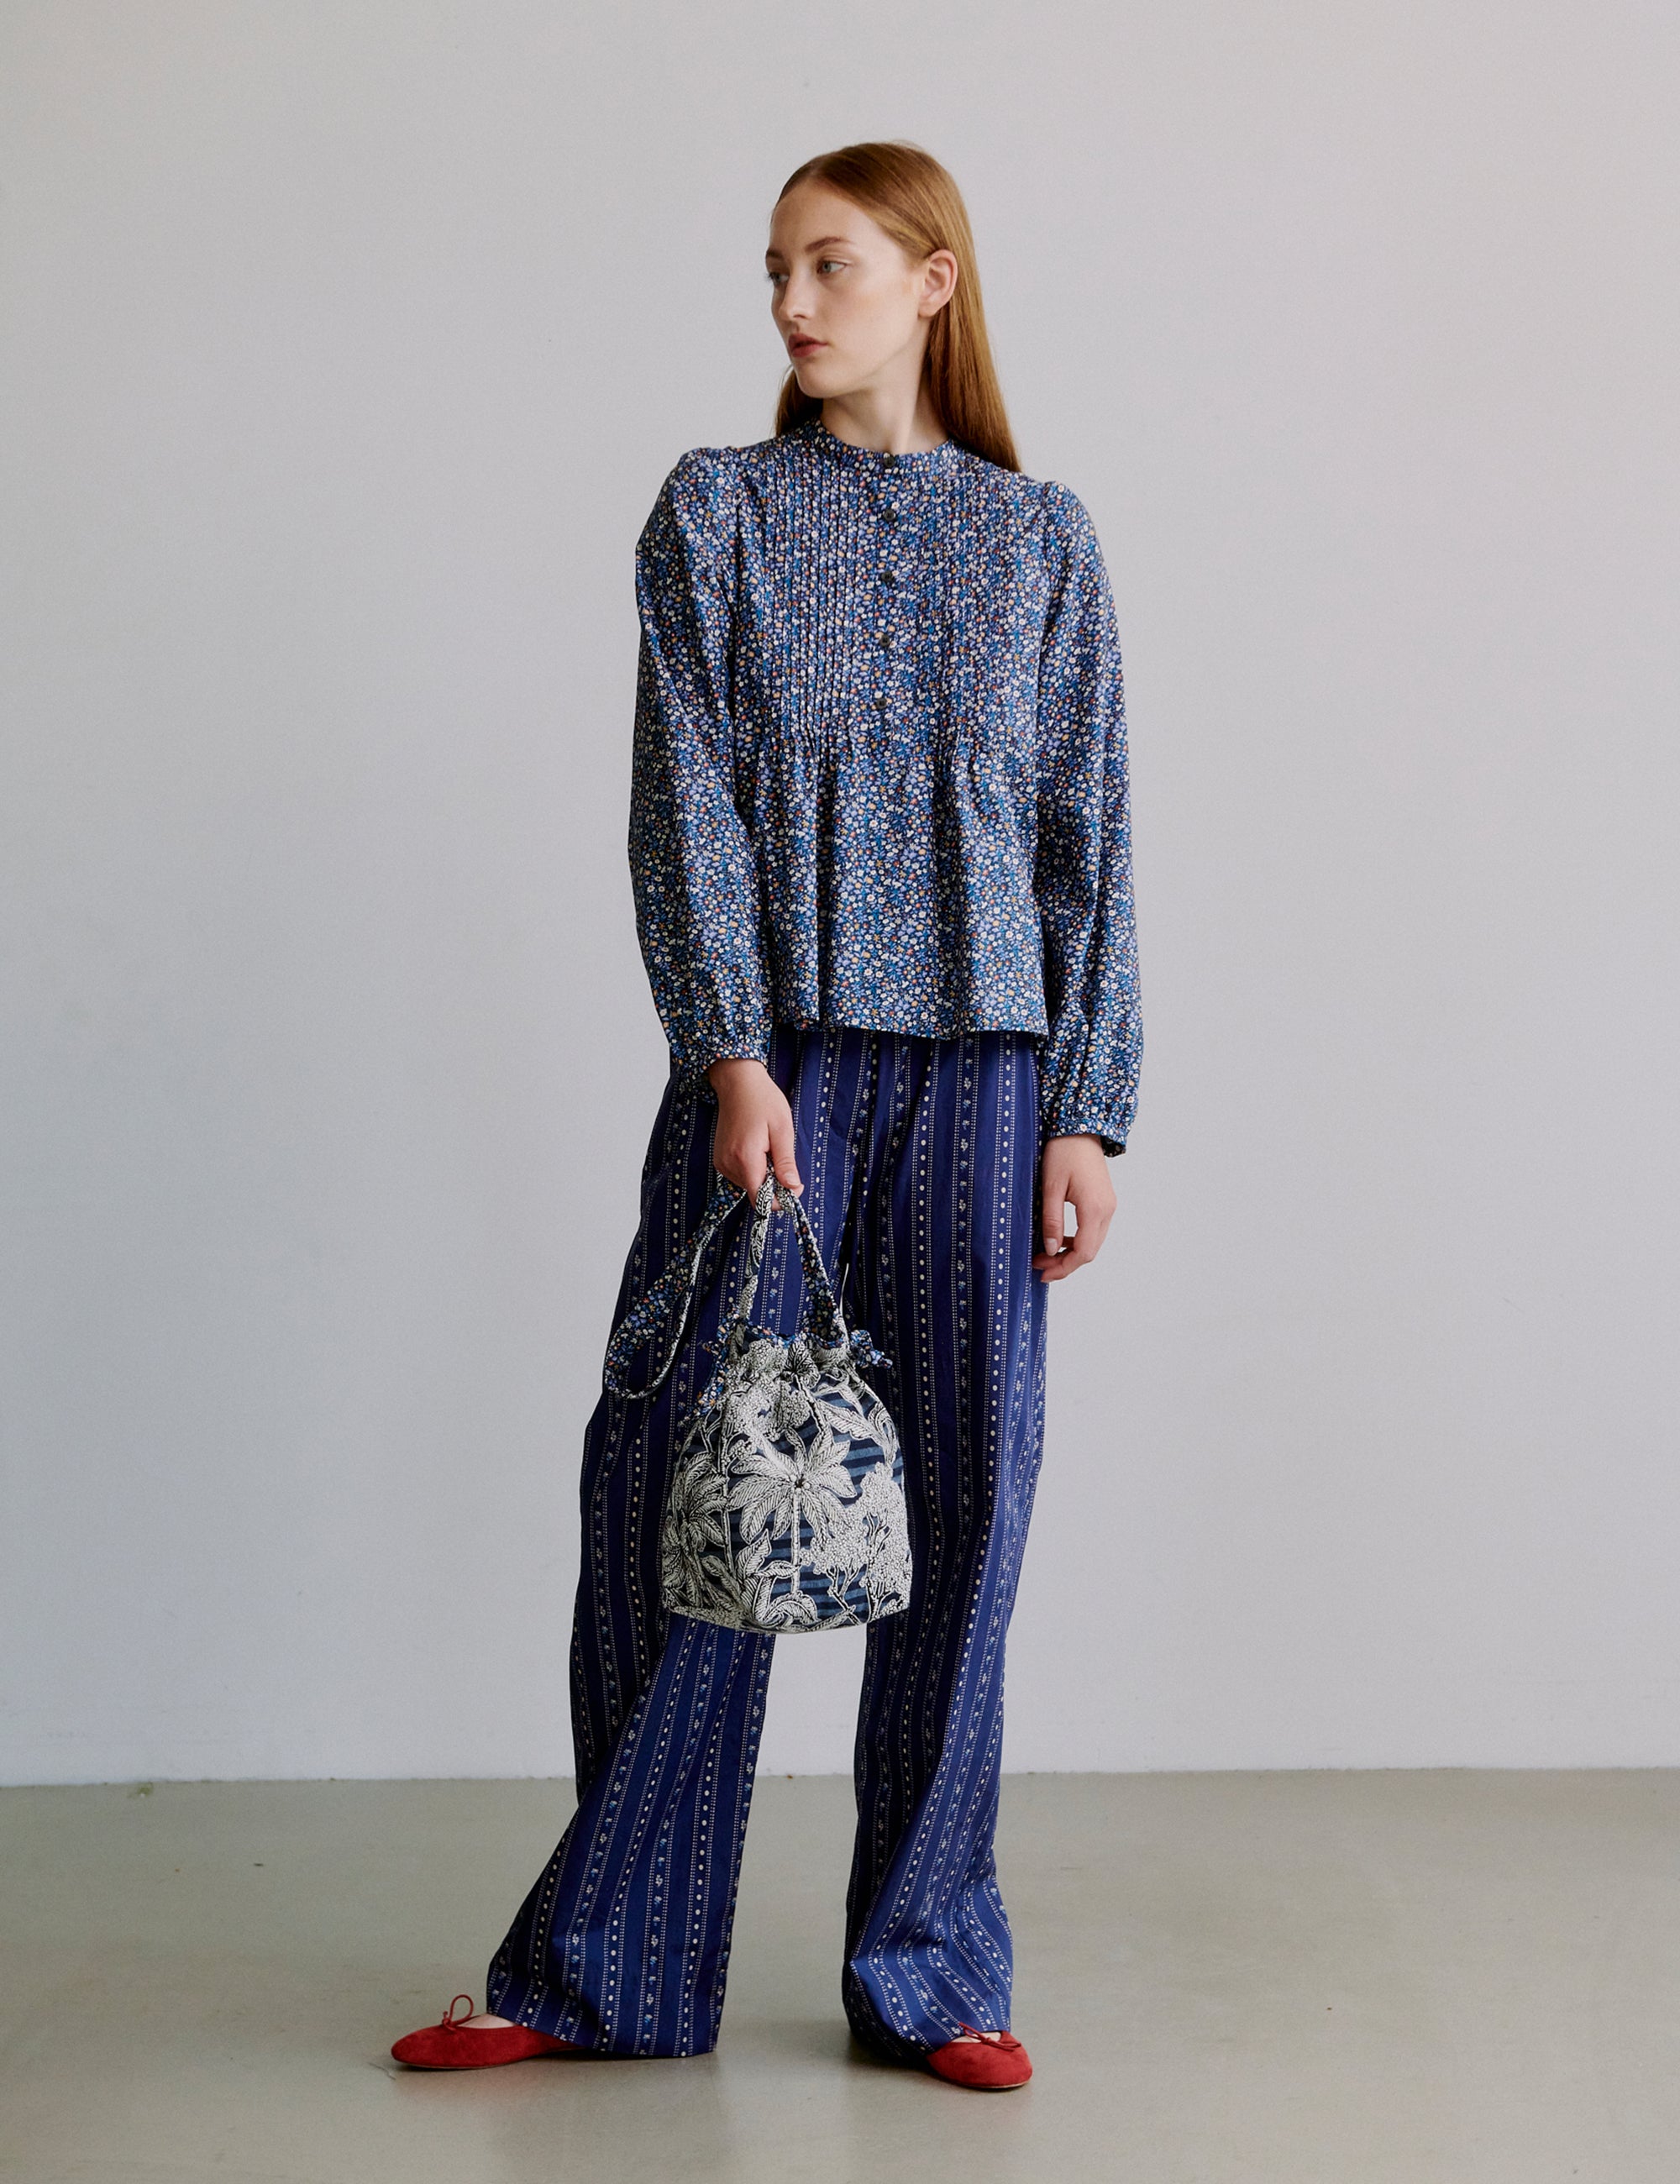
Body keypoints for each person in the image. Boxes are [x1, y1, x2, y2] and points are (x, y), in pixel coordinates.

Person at [391, 137, 1141, 2094]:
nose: (794, 304)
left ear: (932, 282)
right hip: (776, 1072)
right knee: (671, 1490)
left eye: (831, 265)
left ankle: (931, 1969)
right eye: (776, 273)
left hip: (986, 1074)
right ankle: (601, 1967)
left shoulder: (1042, 538)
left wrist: (1092, 1110)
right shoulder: (713, 515)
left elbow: (1091, 846)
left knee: (969, 1510)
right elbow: (687, 803)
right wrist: (733, 1049)